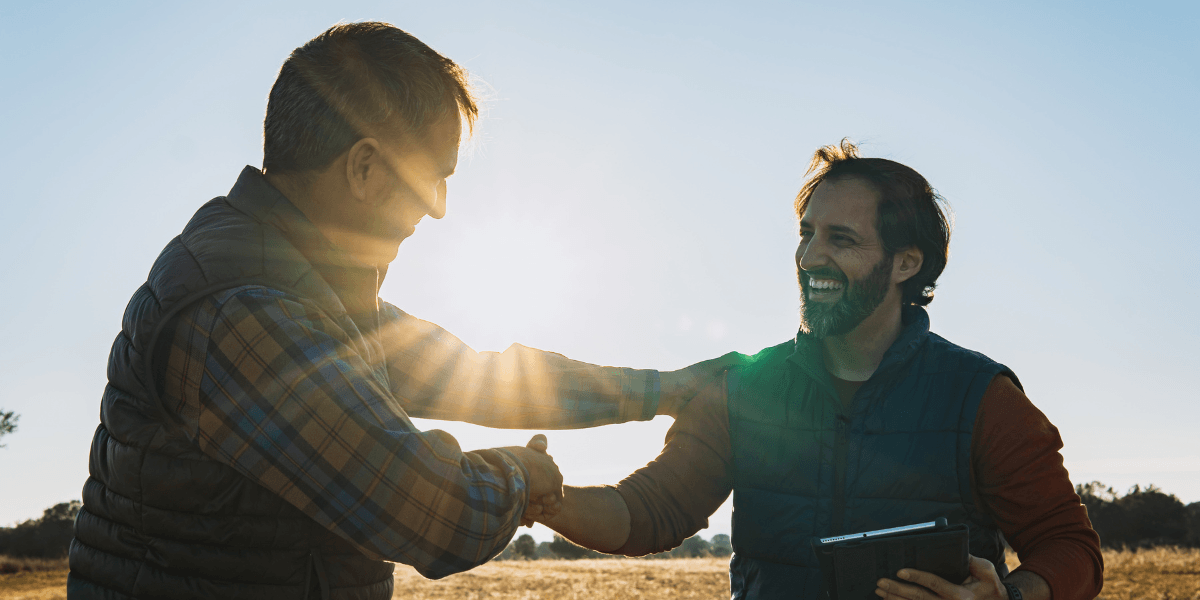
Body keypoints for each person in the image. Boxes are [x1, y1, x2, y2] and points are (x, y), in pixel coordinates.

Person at [67, 22, 732, 600]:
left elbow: (481, 377)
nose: (440, 206)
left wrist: (667, 391)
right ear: (363, 169)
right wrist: (520, 475)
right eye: (435, 175)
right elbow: (432, 514)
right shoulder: (247, 317)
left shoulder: (312, 296)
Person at [533, 141, 1104, 600]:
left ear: (906, 262)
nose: (809, 259)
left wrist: (1009, 595)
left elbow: (1070, 548)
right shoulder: (746, 386)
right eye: (807, 233)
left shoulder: (981, 397)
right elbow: (647, 511)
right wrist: (546, 499)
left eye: (841, 239)